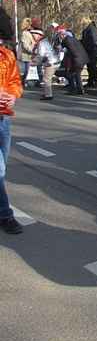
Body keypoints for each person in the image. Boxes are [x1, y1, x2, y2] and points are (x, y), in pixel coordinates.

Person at [0, 16, 23, 234]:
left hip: (4, 118)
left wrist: (13, 96)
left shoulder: (7, 55)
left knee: (3, 168)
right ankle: (6, 215)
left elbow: (15, 82)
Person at [57, 28, 89, 95]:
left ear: (62, 35)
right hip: (82, 59)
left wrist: (64, 50)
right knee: (77, 75)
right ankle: (80, 90)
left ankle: (73, 90)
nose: (59, 37)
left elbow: (72, 51)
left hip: (77, 60)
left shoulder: (67, 40)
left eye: (59, 35)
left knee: (70, 74)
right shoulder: (71, 39)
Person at [35, 24, 61, 100]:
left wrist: (36, 61)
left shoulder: (43, 42)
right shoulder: (53, 41)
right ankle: (47, 93)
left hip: (50, 62)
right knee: (48, 77)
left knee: (46, 79)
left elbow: (41, 54)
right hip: (56, 61)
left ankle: (48, 94)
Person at [80, 16, 97, 88]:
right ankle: (91, 81)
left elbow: (93, 41)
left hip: (92, 51)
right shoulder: (88, 28)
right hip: (89, 51)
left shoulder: (91, 29)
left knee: (93, 67)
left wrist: (88, 46)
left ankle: (96, 81)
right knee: (90, 67)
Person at [29, 17, 45, 86]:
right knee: (39, 66)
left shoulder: (29, 32)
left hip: (32, 49)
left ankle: (30, 80)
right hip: (39, 50)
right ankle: (40, 80)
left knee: (31, 65)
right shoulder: (41, 33)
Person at [19, 18, 34, 86]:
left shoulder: (30, 33)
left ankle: (23, 81)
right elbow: (25, 44)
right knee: (25, 70)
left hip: (29, 54)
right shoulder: (24, 33)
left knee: (27, 70)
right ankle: (22, 82)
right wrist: (31, 50)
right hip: (25, 54)